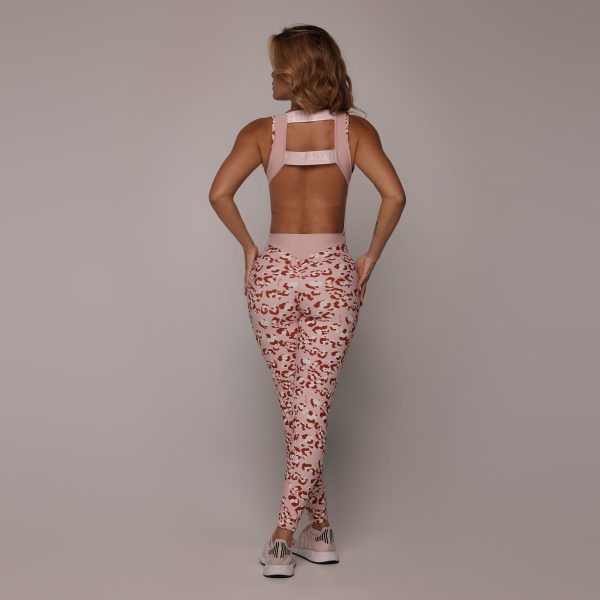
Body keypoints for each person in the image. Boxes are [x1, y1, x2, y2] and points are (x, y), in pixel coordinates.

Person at [208, 24, 406, 577]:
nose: (271, 77)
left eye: (278, 67)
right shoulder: (355, 132)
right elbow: (394, 195)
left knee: (300, 407)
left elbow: (218, 193)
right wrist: (369, 258)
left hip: (272, 274)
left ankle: (282, 533)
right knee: (307, 408)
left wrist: (250, 249)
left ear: (297, 73)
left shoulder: (260, 132)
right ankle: (319, 530)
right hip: (331, 275)